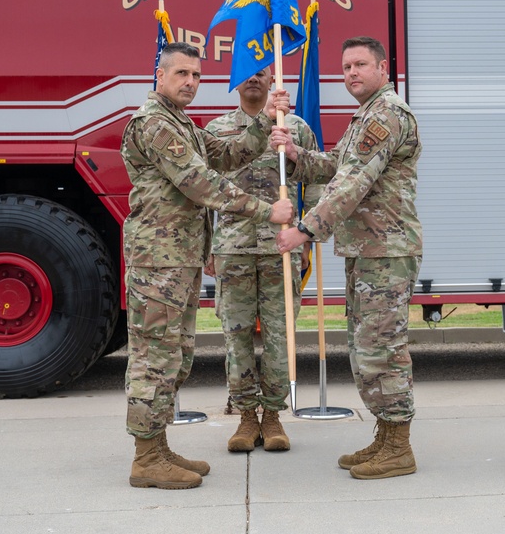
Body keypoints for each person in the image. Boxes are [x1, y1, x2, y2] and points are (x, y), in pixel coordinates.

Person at [121, 42, 293, 490]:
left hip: (178, 259)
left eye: (196, 75)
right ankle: (146, 457)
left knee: (174, 356)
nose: (190, 82)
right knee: (153, 358)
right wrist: (264, 210)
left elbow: (226, 155)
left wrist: (263, 121)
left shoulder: (183, 124)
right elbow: (201, 182)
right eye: (181, 74)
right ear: (159, 75)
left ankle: (157, 447)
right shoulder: (154, 124)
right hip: (157, 262)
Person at [274, 36, 422, 480]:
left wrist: (305, 230)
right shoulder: (366, 115)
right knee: (365, 346)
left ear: (382, 68)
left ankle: (398, 446)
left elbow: (353, 181)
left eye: (360, 64)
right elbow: (338, 162)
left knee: (383, 348)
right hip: (368, 248)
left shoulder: (387, 114)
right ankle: (385, 434)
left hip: (386, 250)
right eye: (346, 67)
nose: (352, 73)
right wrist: (298, 156)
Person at [204, 66, 321, 454]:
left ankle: (272, 417)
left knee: (279, 335)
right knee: (235, 336)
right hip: (233, 248)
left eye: (262, 73)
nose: (253, 79)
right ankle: (245, 417)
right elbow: (202, 190)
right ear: (235, 81)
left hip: (280, 248)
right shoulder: (217, 131)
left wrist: (307, 233)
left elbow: (317, 182)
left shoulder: (295, 128)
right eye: (246, 73)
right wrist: (208, 245)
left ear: (273, 80)